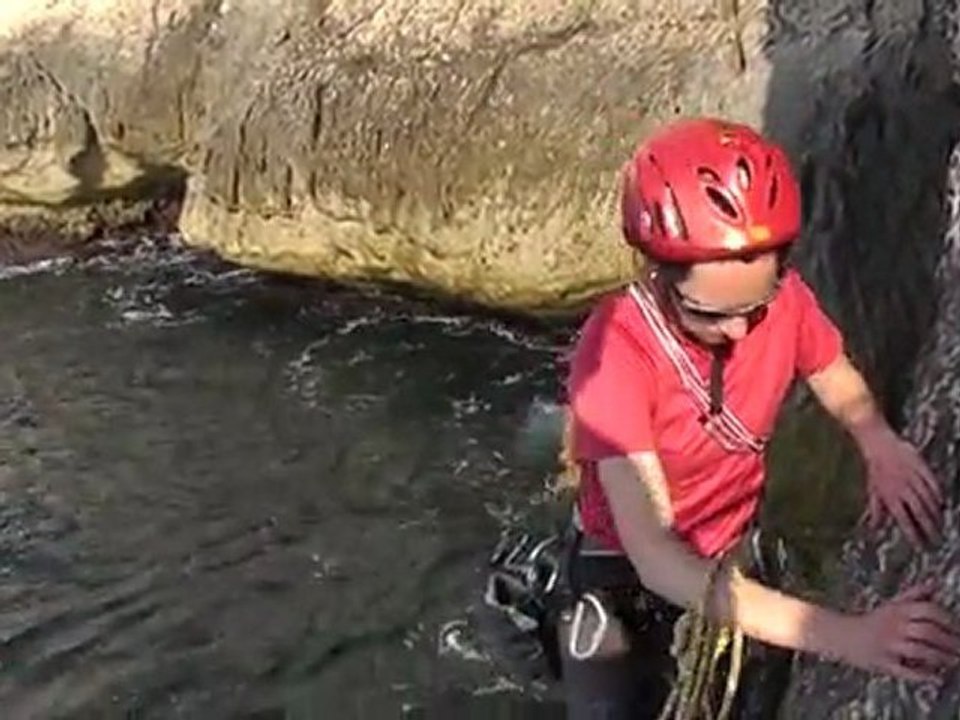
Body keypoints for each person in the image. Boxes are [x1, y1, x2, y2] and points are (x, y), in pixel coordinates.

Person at [551, 116, 960, 718]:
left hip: (727, 542)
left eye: (755, 304)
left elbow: (829, 370)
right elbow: (656, 557)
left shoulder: (783, 302)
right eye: (708, 314)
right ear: (656, 276)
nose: (741, 330)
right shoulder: (615, 353)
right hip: (623, 572)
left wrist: (876, 439)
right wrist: (849, 636)